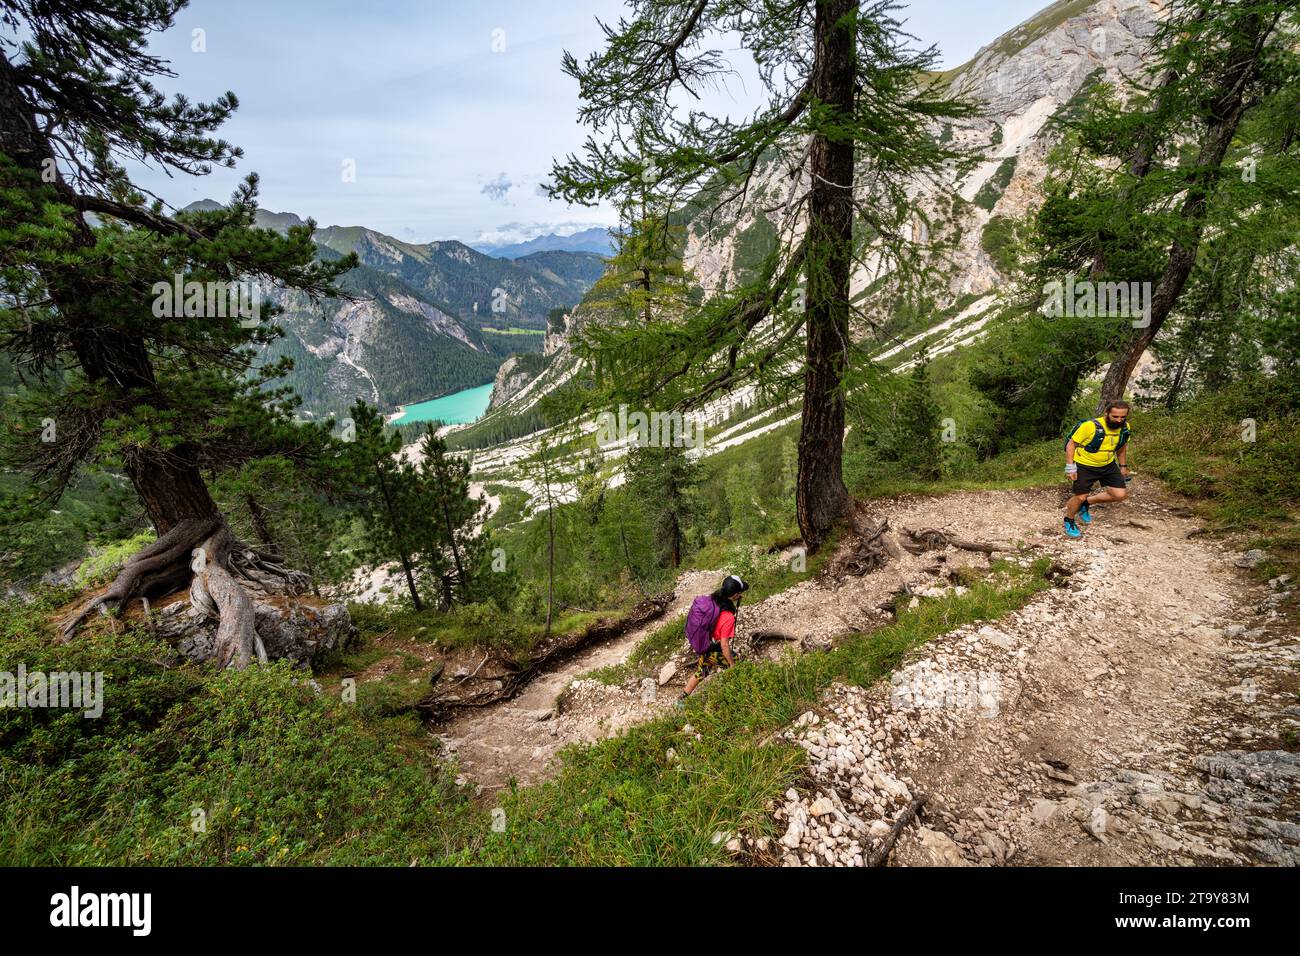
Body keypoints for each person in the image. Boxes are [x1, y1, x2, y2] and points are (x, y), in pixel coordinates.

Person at [1063, 401, 1132, 538]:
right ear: (1106, 413)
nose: (1119, 420)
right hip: (1085, 464)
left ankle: (1087, 503)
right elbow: (1071, 444)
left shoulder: (1125, 428)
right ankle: (1069, 519)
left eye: (1122, 417)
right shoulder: (1090, 426)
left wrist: (1123, 466)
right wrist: (1071, 467)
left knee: (1120, 494)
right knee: (1080, 495)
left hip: (1108, 464)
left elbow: (1121, 446)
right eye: (1115, 416)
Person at [681, 574, 749, 700]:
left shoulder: (713, 600)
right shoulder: (728, 617)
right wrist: (732, 664)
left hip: (706, 644)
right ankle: (740, 694)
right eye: (739, 593)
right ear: (734, 595)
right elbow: (724, 645)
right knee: (737, 663)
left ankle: (681, 699)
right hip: (713, 648)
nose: (740, 595)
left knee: (701, 672)